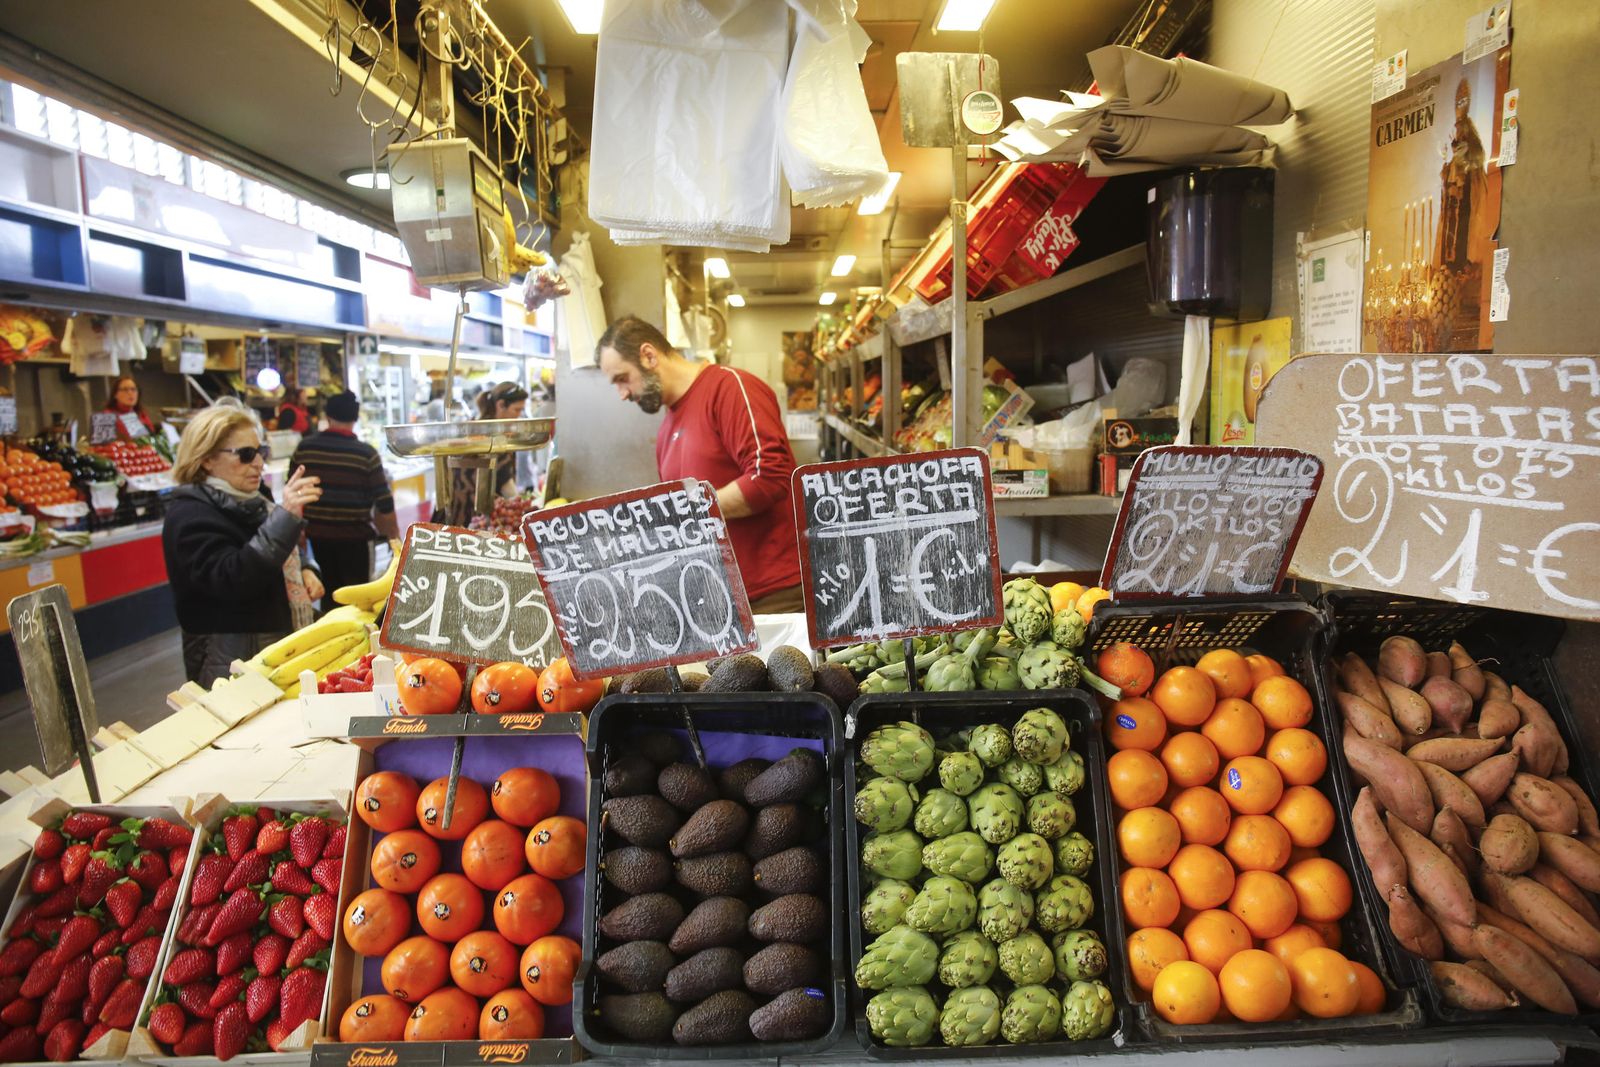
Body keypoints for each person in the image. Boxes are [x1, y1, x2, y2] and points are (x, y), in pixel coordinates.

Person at [596, 315, 802, 612]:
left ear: (648, 355)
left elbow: (768, 476)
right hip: (715, 600)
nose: (622, 394)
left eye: (622, 378)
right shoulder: (667, 428)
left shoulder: (729, 388)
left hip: (772, 597)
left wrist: (684, 512)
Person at [163, 405, 324, 687]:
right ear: (206, 460)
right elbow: (234, 578)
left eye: (261, 452)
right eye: (246, 454)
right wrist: (285, 519)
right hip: (229, 665)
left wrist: (306, 570)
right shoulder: (189, 516)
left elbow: (279, 551)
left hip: (271, 649)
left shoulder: (252, 499)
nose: (259, 463)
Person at [289, 390, 400, 604]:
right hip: (355, 539)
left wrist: (297, 531)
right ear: (356, 418)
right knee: (357, 597)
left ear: (327, 416)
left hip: (318, 538)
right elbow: (384, 502)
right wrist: (393, 539)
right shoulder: (366, 454)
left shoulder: (305, 449)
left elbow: (293, 490)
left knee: (328, 592)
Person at [441, 381, 527, 527]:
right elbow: (507, 486)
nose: (518, 416)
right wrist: (522, 510)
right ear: (500, 405)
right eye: (516, 410)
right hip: (469, 516)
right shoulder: (489, 436)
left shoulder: (478, 425)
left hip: (471, 514)